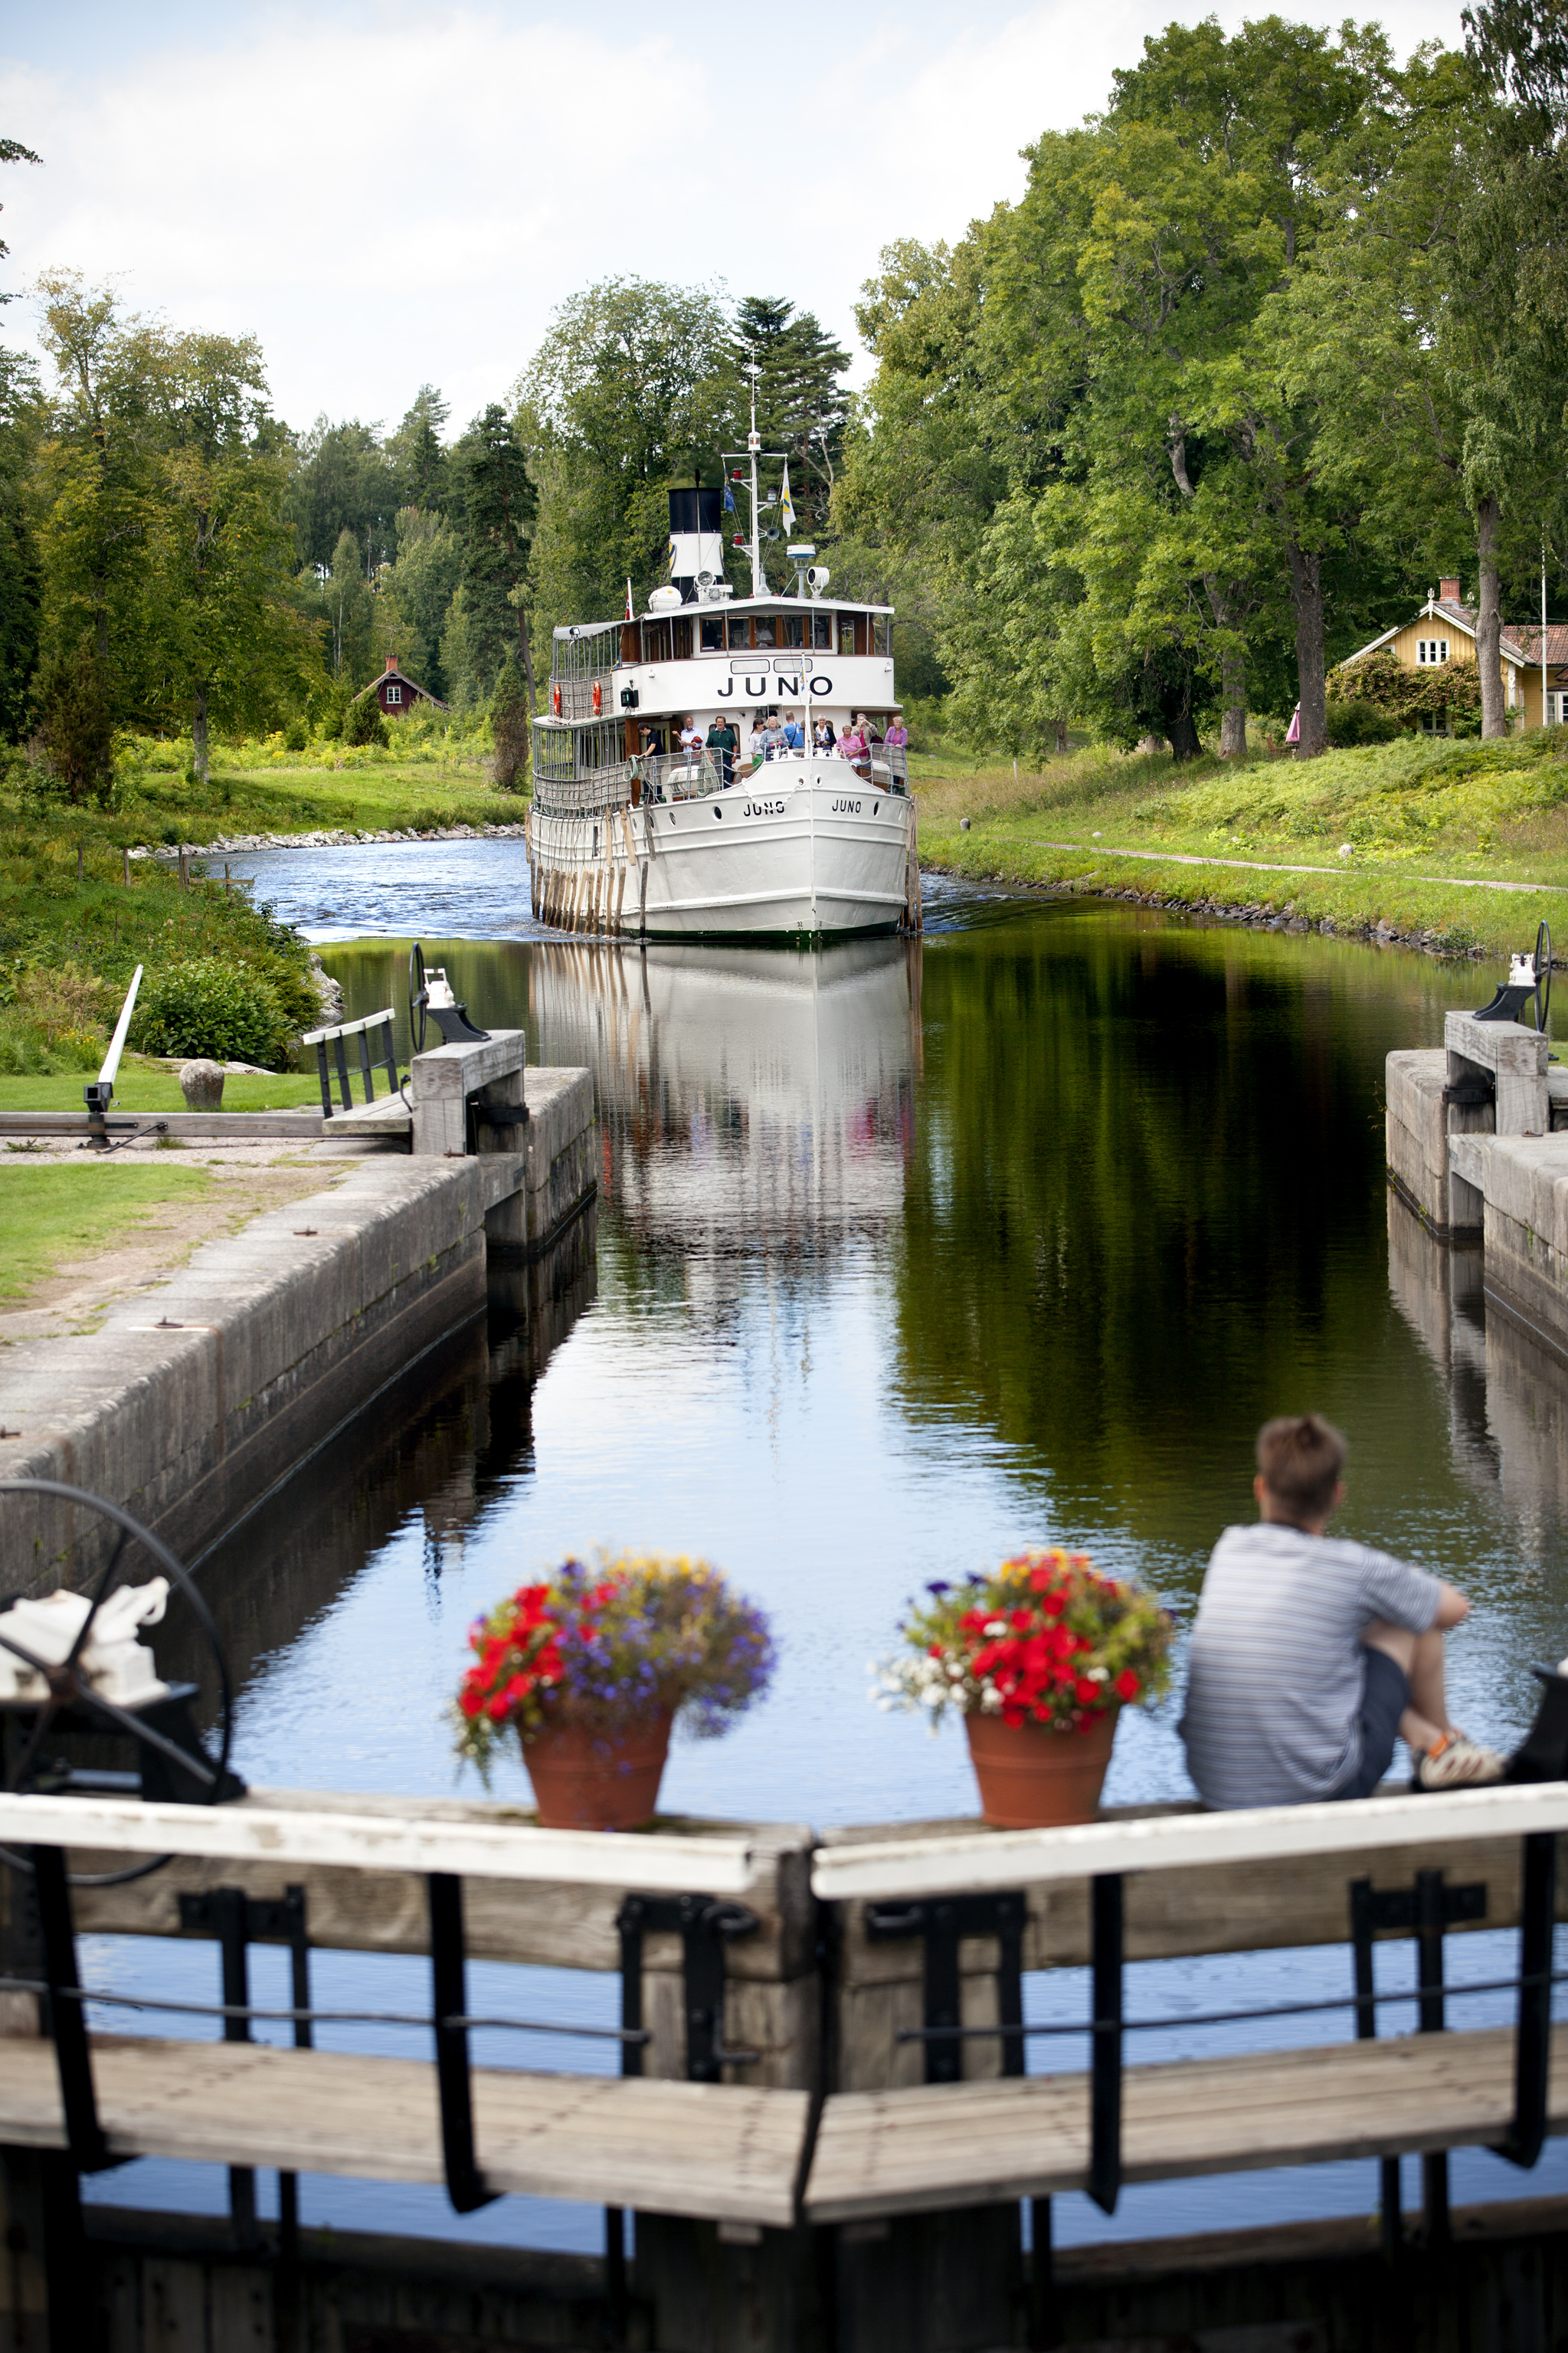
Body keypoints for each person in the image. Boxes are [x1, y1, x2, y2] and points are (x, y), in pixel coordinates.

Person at [1180, 1414, 1504, 1810]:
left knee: (1337, 1640)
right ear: (1337, 1495)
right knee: (1413, 1616)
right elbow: (1454, 1610)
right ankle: (1442, 1750)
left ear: (1260, 1488)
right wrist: (1408, 1583)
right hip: (1316, 1793)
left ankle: (1432, 1743)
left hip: (1217, 1790)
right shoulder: (1350, 1567)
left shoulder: (1228, 1548)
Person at [705, 713, 738, 787]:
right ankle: (719, 791)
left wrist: (734, 756)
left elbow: (734, 744)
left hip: (728, 759)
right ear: (716, 723)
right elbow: (708, 746)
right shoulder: (712, 733)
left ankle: (727, 792)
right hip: (717, 759)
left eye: (721, 722)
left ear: (724, 723)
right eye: (718, 722)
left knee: (728, 777)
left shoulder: (729, 732)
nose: (720, 723)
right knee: (718, 778)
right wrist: (711, 757)